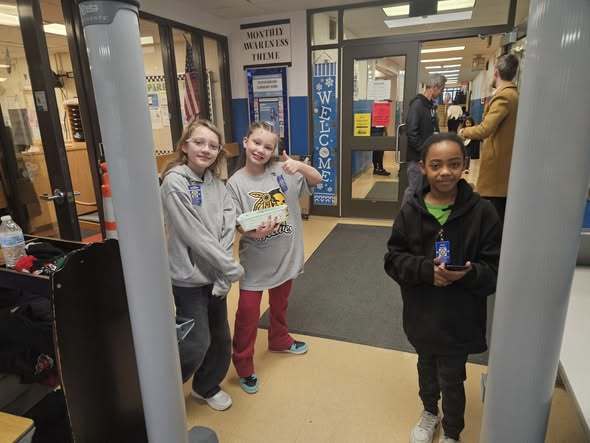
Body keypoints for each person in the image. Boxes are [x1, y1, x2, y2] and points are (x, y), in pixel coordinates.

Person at [384, 133, 500, 443]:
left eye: (453, 164)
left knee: (451, 377)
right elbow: (393, 260)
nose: (444, 172)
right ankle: (429, 412)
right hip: (422, 313)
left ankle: (452, 432)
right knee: (426, 367)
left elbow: (494, 269)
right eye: (436, 165)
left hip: (459, 317)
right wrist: (425, 271)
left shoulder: (483, 213)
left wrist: (469, 274)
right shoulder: (411, 211)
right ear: (422, 167)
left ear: (464, 165)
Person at [227, 121, 322, 394]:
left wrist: (300, 165)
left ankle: (279, 339)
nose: (261, 150)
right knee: (247, 314)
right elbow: (236, 223)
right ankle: (243, 365)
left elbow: (317, 179)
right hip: (255, 262)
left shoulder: (284, 170)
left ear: (275, 150)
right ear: (245, 141)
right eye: (256, 142)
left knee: (280, 305)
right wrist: (253, 232)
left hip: (287, 255)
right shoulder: (235, 183)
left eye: (268, 146)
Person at [160, 119, 244, 411]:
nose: (206, 149)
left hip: (215, 278)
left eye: (212, 145)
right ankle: (160, 394)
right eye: (199, 142)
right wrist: (229, 266)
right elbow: (193, 234)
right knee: (196, 342)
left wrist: (223, 271)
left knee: (220, 340)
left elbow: (226, 228)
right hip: (188, 279)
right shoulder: (174, 182)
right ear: (185, 146)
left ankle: (205, 387)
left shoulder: (218, 185)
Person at [459, 53, 520, 228]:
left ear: (496, 72)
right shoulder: (514, 94)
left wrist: (464, 131)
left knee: (493, 221)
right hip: (504, 170)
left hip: (497, 173)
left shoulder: (504, 97)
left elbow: (486, 129)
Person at [403, 74, 447, 205]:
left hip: (427, 157)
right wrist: (423, 151)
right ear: (434, 87)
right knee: (413, 190)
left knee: (423, 191)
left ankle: (417, 220)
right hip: (417, 158)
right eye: (441, 90)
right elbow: (411, 132)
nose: (441, 93)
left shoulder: (430, 106)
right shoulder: (417, 104)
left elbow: (432, 129)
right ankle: (402, 220)